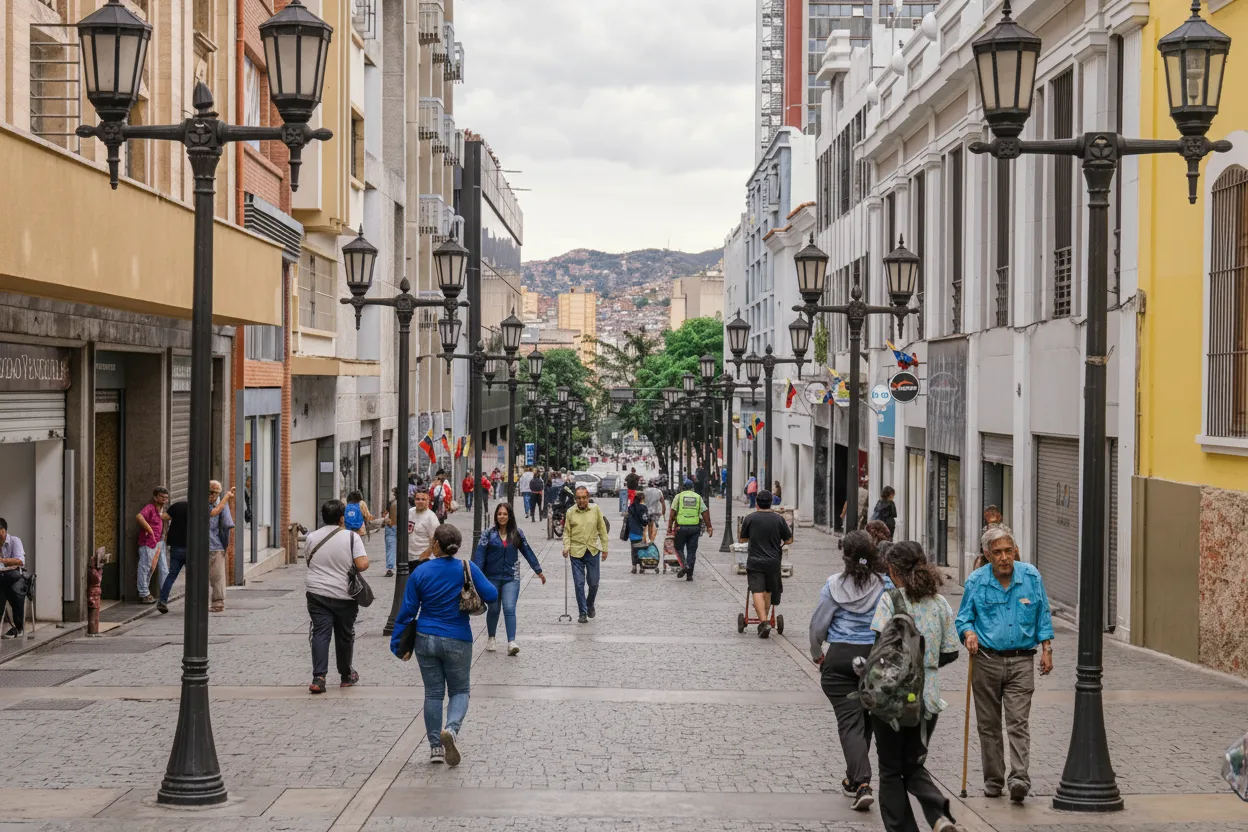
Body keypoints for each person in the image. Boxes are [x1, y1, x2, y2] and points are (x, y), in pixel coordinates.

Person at [955, 527, 1054, 804]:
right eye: (997, 552)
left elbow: (1043, 615)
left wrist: (1047, 649)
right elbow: (963, 618)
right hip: (986, 661)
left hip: (1022, 660)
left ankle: (1019, 779)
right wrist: (968, 633)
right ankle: (994, 780)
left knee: (1018, 722)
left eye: (1008, 551)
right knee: (988, 725)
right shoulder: (977, 581)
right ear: (987, 555)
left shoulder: (1031, 576)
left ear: (1015, 551)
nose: (1004, 557)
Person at [870, 541, 963, 832]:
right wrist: (926, 665)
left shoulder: (891, 600)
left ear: (892, 571)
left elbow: (880, 646)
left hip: (892, 697)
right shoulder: (940, 603)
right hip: (927, 698)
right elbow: (951, 651)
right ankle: (938, 816)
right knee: (913, 763)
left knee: (890, 769)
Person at [393, 524, 498, 766]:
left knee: (433, 693)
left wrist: (398, 642)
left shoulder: (421, 571)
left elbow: (408, 610)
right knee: (460, 691)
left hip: (425, 637)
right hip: (458, 637)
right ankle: (450, 730)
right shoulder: (466, 568)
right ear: (457, 546)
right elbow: (492, 595)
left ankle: (435, 749)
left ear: (436, 545)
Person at [809, 530, 891, 811]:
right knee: (863, 721)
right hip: (875, 656)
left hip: (841, 658)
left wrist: (817, 654)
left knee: (850, 722)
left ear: (845, 557)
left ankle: (862, 782)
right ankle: (854, 778)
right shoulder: (885, 585)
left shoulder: (833, 585)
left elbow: (818, 626)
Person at [304, 499, 370, 694]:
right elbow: (362, 565)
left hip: (317, 592)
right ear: (342, 518)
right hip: (344, 594)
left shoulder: (312, 537)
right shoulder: (351, 537)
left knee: (320, 633)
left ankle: (319, 677)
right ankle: (346, 675)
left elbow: (309, 560)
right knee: (344, 634)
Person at [473, 503, 545, 655]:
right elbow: (479, 556)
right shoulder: (488, 534)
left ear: (510, 516)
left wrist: (538, 570)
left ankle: (511, 642)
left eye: (505, 514)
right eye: (499, 514)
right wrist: (476, 577)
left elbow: (527, 551)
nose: (502, 517)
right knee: (494, 609)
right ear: (496, 516)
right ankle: (491, 637)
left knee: (509, 608)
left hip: (512, 577)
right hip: (491, 577)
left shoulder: (517, 534)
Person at [738, 489, 791, 636]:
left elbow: (742, 539)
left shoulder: (750, 518)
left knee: (756, 590)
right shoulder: (779, 519)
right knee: (768, 591)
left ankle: (764, 622)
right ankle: (765, 620)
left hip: (755, 561)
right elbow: (789, 540)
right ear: (771, 503)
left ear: (757, 503)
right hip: (773, 561)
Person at [562, 486, 608, 623]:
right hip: (576, 552)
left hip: (592, 550)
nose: (581, 500)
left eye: (584, 497)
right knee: (579, 584)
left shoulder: (595, 509)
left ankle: (590, 604)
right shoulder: (570, 512)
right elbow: (566, 533)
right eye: (578, 498)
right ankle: (582, 613)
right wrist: (566, 546)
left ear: (588, 498)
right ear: (575, 499)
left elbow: (602, 529)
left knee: (593, 583)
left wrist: (605, 548)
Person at [667, 479, 712, 582]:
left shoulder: (678, 497)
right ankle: (690, 575)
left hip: (681, 527)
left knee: (678, 548)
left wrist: (669, 527)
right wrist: (709, 526)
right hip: (694, 528)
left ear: (683, 488)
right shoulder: (698, 497)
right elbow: (705, 512)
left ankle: (684, 565)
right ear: (692, 488)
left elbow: (672, 513)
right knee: (692, 552)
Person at [136, 487, 170, 604]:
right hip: (148, 542)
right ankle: (144, 593)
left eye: (166, 497)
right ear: (155, 497)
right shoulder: (150, 508)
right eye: (162, 497)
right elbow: (139, 516)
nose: (164, 499)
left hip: (160, 542)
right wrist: (150, 530)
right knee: (146, 568)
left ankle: (164, 593)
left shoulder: (164, 510)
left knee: (164, 569)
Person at [157, 497, 189, 614]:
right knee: (193, 578)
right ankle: (192, 603)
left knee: (171, 575)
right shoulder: (198, 509)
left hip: (176, 547)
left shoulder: (177, 506)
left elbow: (164, 517)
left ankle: (162, 601)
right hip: (192, 548)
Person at [208, 481, 235, 613]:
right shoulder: (201, 503)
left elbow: (227, 525)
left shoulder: (222, 504)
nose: (213, 495)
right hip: (200, 547)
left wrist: (225, 546)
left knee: (217, 576)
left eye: (216, 493)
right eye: (210, 492)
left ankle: (218, 602)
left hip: (216, 546)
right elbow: (213, 513)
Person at [0, 520, 28, 638]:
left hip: (15, 576)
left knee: (15, 590)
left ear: (3, 531)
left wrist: (2, 561)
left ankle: (18, 627)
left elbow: (20, 561)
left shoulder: (15, 541)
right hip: (1, 577)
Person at [408, 491, 441, 565]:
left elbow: (435, 539)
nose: (420, 501)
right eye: (417, 499)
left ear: (428, 501)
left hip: (423, 559)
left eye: (423, 499)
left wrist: (427, 554)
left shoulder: (431, 517)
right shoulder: (410, 512)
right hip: (408, 557)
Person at [625, 491, 651, 574]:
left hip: (632, 531)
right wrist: (648, 521)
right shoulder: (643, 508)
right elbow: (644, 519)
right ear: (642, 499)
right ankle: (642, 567)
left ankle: (634, 567)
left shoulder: (630, 507)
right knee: (641, 549)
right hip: (640, 531)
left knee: (634, 549)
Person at [382, 487, 401, 577]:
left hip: (392, 527)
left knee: (391, 548)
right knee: (392, 548)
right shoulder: (406, 503)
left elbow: (384, 514)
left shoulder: (392, 502)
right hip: (394, 527)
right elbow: (384, 514)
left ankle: (390, 568)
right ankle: (390, 568)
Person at [643, 478, 666, 544]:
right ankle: (652, 540)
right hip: (656, 511)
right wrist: (663, 512)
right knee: (654, 525)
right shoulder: (658, 491)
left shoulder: (644, 491)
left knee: (649, 525)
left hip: (647, 511)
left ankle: (650, 539)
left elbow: (641, 500)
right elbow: (662, 502)